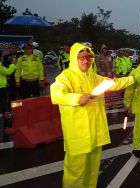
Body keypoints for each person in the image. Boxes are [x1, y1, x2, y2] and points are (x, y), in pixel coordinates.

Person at [50, 42, 134, 188]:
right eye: (81, 57)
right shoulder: (66, 76)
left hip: (95, 134)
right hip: (78, 137)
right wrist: (76, 98)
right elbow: (55, 93)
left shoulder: (93, 77)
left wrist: (132, 78)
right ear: (74, 58)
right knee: (75, 174)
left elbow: (113, 83)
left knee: (92, 171)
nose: (85, 60)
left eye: (88, 57)